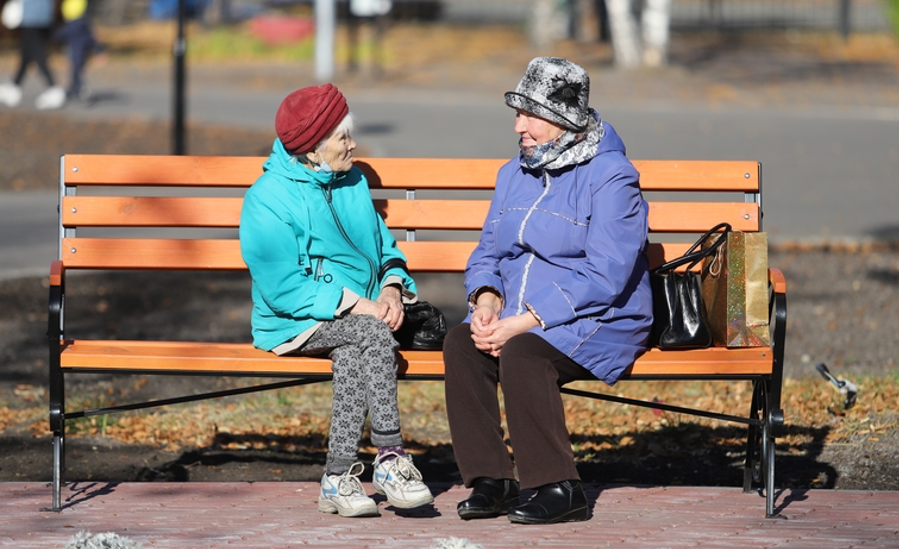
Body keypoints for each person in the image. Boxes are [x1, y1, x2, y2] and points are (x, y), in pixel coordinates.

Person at [443, 57, 653, 525]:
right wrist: (486, 300)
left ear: (561, 121)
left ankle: (559, 486)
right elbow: (486, 253)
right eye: (517, 113)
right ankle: (491, 481)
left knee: (523, 354)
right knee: (461, 343)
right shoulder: (512, 173)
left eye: (529, 114)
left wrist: (526, 319)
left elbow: (607, 273)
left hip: (603, 317)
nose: (517, 125)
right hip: (520, 312)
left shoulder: (611, 175)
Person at [239, 84, 434, 518]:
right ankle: (390, 458)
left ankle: (337, 478)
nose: (353, 144)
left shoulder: (353, 181)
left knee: (356, 347)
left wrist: (391, 289)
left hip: (360, 321)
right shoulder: (268, 198)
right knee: (367, 331)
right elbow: (283, 288)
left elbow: (386, 250)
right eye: (343, 137)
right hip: (292, 323)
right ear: (312, 148)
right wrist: (361, 306)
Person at [0, 0, 66, 109]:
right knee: (27, 52)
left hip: (33, 16)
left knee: (37, 52)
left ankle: (53, 88)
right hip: (41, 15)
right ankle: (14, 86)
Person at [53, 0, 106, 101]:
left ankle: (80, 89)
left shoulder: (72, 26)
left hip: (76, 51)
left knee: (76, 69)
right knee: (76, 70)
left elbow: (59, 35)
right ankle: (75, 88)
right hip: (78, 50)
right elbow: (92, 38)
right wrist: (99, 50)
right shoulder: (84, 24)